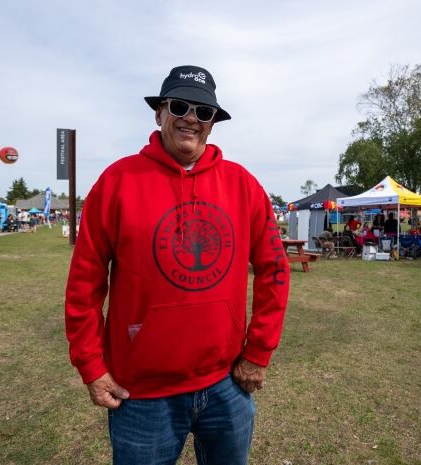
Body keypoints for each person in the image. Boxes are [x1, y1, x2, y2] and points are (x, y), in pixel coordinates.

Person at [64, 65, 290, 465]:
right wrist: (91, 366)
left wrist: (259, 351)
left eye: (204, 112)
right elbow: (85, 283)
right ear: (159, 112)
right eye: (180, 106)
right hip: (141, 396)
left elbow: (274, 269)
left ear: (213, 123)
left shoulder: (244, 185)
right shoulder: (117, 181)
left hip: (226, 386)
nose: (191, 118)